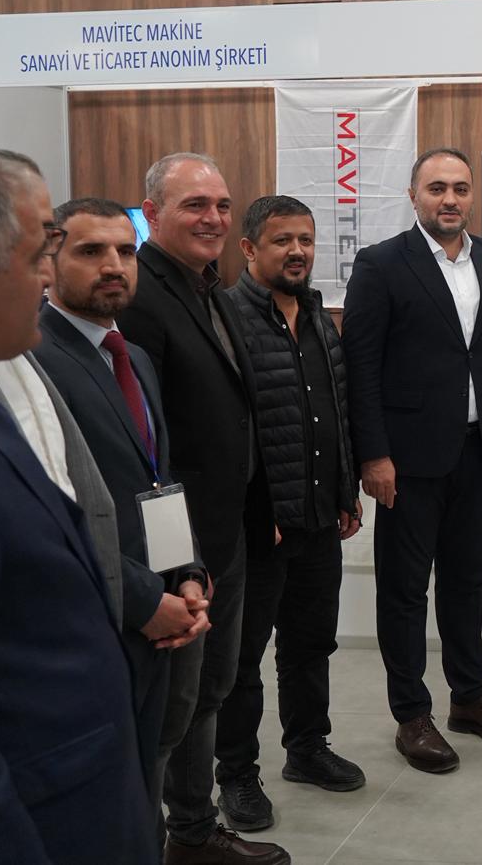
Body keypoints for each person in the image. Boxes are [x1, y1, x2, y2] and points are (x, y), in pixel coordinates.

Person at [118, 152, 291, 865]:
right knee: (174, 707)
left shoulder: (208, 288)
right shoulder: (139, 296)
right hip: (179, 547)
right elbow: (144, 445)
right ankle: (157, 839)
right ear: (153, 213)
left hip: (228, 531)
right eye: (195, 205)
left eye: (221, 205)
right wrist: (176, 562)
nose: (214, 218)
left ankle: (192, 832)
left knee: (212, 687)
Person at [342, 146, 482, 773]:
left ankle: (470, 696)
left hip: (480, 450)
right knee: (404, 589)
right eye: (436, 188)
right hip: (408, 459)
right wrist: (373, 454)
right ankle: (412, 714)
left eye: (460, 188)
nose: (449, 199)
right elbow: (361, 368)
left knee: (466, 579)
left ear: (472, 195)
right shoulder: (381, 264)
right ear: (413, 195)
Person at [0, 150, 158, 864]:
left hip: (90, 756)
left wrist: (181, 571)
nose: (46, 276)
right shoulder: (47, 353)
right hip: (41, 795)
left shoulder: (108, 358)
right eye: (45, 251)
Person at [33, 196, 211, 810]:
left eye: (126, 252)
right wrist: (143, 600)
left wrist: (188, 573)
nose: (114, 265)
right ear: (48, 262)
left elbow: (157, 480)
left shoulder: (130, 357)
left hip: (166, 605)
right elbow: (55, 511)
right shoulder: (33, 362)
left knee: (152, 768)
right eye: (91, 251)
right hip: (100, 615)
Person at [215, 196, 366, 829]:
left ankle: (307, 748)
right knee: (242, 658)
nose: (297, 251)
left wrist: (345, 489)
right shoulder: (226, 318)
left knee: (310, 643)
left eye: (305, 239)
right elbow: (232, 429)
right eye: (282, 241)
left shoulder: (318, 317)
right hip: (262, 525)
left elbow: (336, 409)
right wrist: (263, 505)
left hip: (319, 515)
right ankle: (236, 775)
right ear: (250, 249)